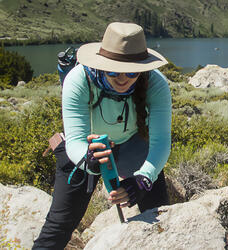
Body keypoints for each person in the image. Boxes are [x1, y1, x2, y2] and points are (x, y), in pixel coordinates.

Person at [33, 22, 172, 249]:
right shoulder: (78, 80)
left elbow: (160, 142)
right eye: (113, 71)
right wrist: (88, 160)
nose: (123, 79)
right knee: (59, 225)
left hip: (132, 145)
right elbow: (76, 140)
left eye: (132, 72)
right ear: (101, 64)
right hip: (85, 150)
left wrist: (144, 178)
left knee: (159, 213)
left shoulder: (155, 84)